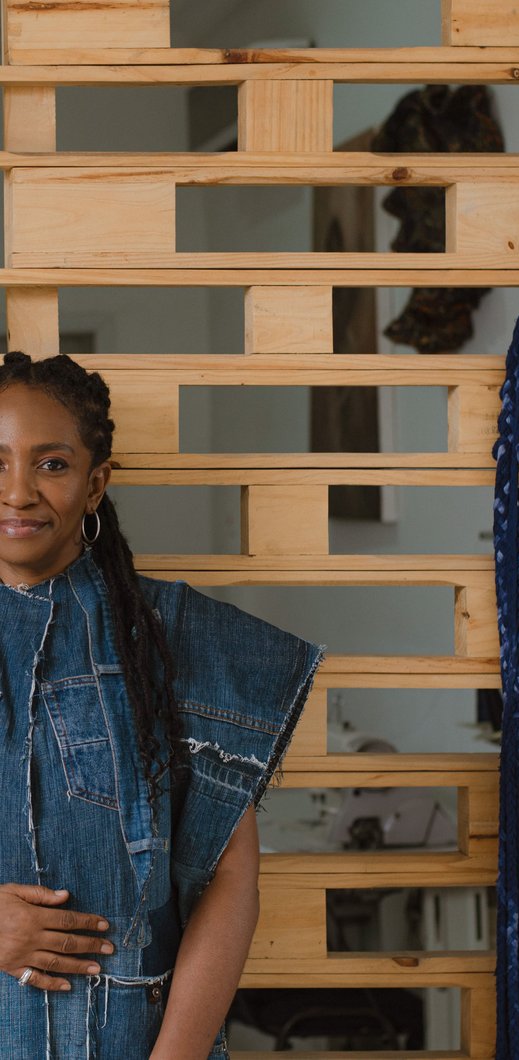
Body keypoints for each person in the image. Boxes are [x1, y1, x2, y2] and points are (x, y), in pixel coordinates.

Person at [0, 351, 323, 1059]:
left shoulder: (176, 639)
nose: (18, 491)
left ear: (95, 484)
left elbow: (231, 877)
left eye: (51, 464)